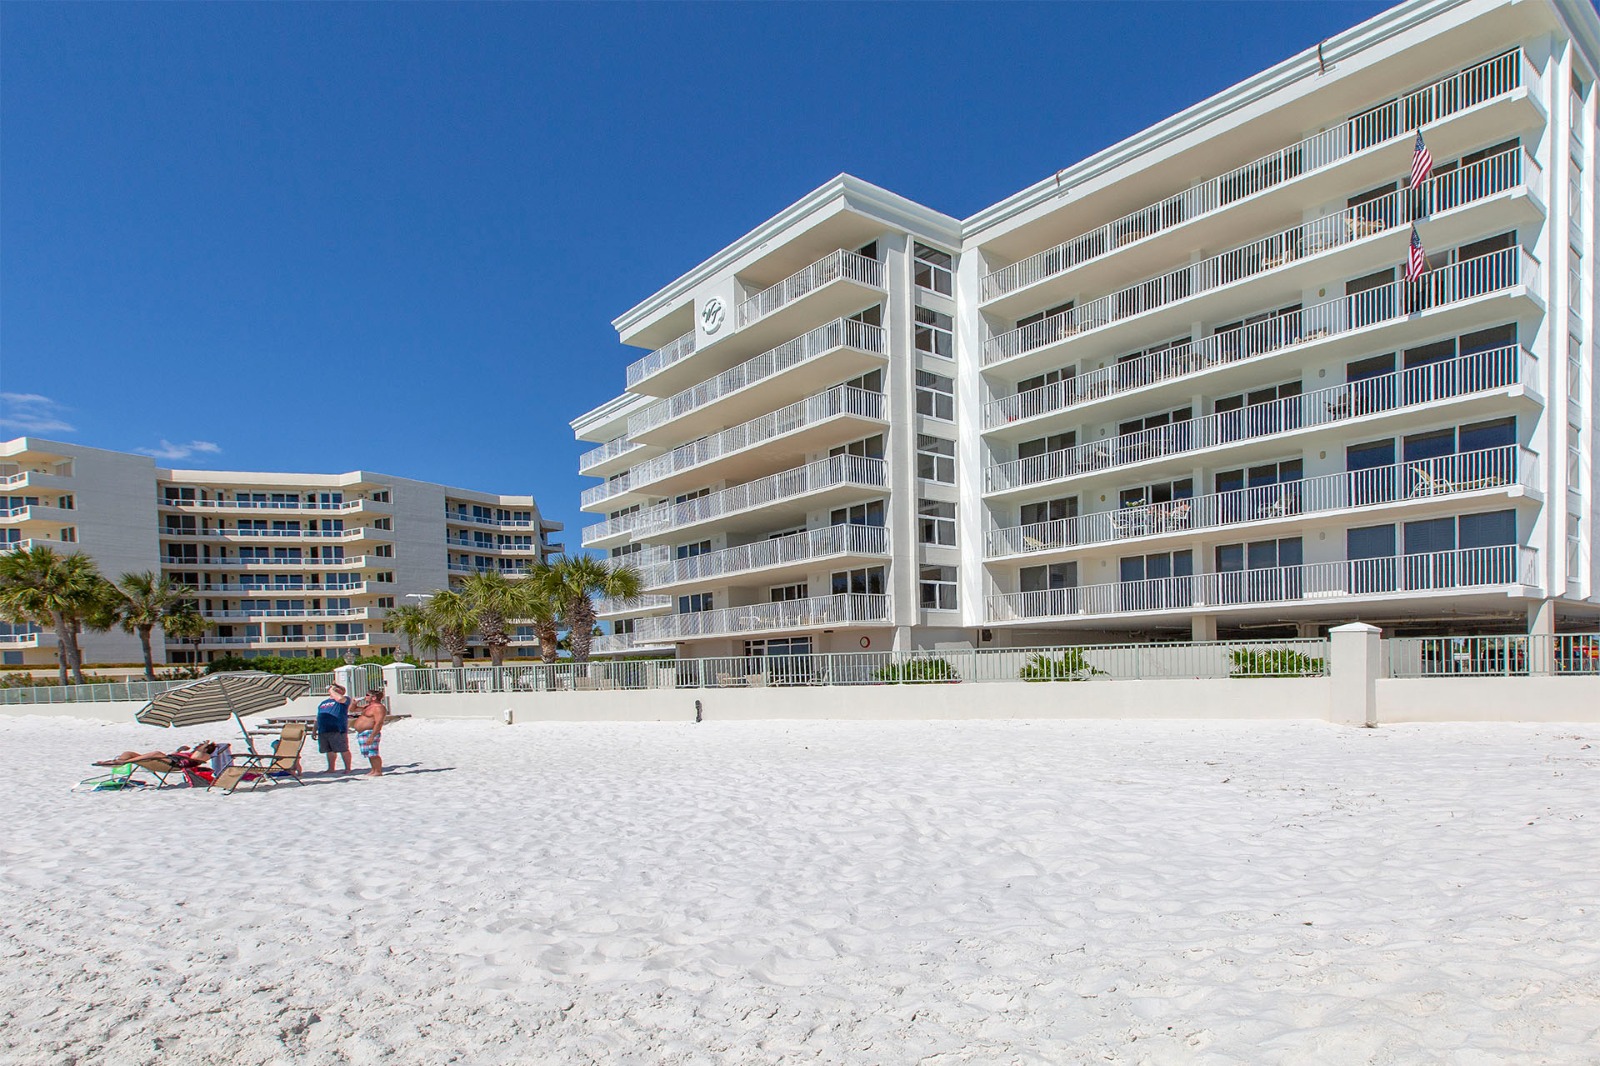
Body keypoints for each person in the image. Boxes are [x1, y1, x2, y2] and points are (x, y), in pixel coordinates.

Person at [350, 685, 388, 778]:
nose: (365, 697)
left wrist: (372, 735)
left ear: (374, 697)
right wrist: (354, 703)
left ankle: (378, 771)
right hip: (362, 733)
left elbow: (379, 723)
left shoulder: (378, 708)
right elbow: (352, 710)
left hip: (370, 732)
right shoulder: (368, 706)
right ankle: (373, 770)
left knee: (373, 753)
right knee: (368, 753)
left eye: (367, 695)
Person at [315, 683, 353, 774]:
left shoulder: (344, 699)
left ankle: (347, 768)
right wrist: (314, 730)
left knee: (343, 749)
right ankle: (331, 768)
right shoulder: (324, 703)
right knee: (329, 750)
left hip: (337, 729)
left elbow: (340, 698)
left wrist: (332, 690)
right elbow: (318, 717)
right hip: (324, 729)